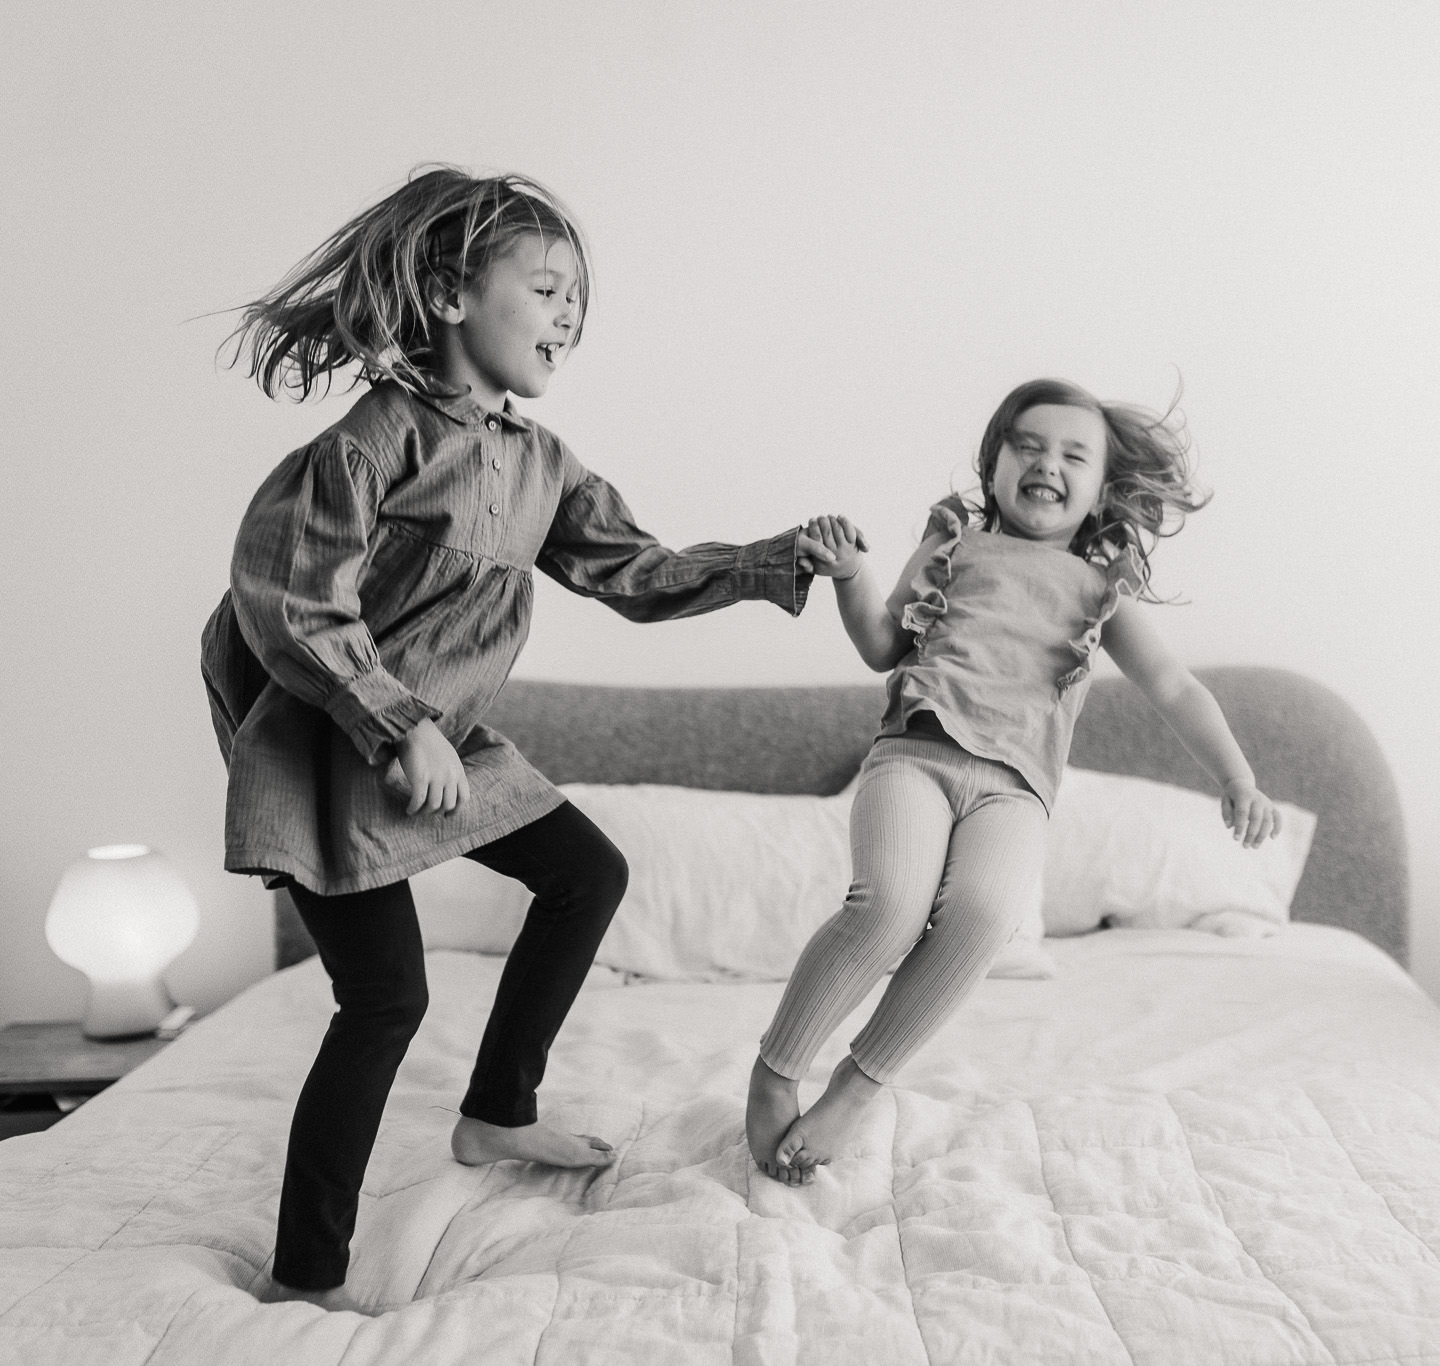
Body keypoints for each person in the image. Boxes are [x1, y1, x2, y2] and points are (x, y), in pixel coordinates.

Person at [200, 166, 848, 1296]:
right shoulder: (375, 441)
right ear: (451, 294)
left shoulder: (542, 464)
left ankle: (497, 1113)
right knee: (385, 999)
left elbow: (634, 571)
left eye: (575, 305)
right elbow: (288, 598)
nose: (566, 319)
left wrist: (768, 560)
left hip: (440, 739)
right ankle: (302, 1276)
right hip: (326, 747)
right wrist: (395, 722)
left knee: (585, 872)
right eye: (545, 290)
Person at [744, 379, 1281, 1184]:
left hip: (1014, 789)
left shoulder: (1102, 586)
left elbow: (1172, 685)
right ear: (993, 462)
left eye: (1074, 455)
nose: (1047, 464)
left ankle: (859, 1085)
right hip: (916, 756)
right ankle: (778, 1067)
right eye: (1027, 445)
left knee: (985, 915)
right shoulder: (956, 542)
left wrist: (1237, 776)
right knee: (889, 906)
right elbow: (884, 643)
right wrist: (852, 573)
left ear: (1101, 488)